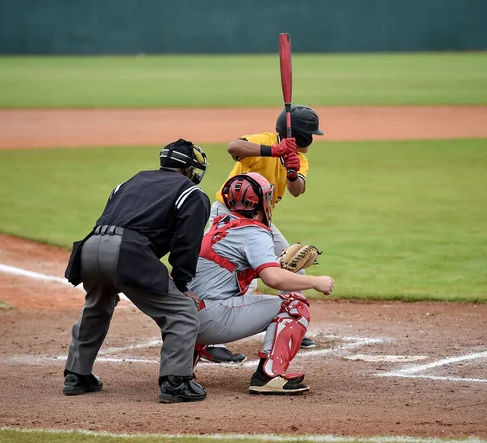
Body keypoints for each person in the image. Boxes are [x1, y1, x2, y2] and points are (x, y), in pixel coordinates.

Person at [63, 138, 211, 403]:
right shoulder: (190, 193)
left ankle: (77, 375)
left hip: (90, 247)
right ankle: (176, 383)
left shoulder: (129, 182)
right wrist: (181, 284)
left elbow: (108, 219)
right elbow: (186, 243)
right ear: (189, 168)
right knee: (181, 312)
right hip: (127, 251)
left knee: (97, 304)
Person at [190, 172, 334, 394]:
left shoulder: (220, 223)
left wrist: (273, 265)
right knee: (294, 304)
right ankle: (268, 376)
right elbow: (273, 279)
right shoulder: (255, 232)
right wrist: (315, 281)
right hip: (210, 321)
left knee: (221, 293)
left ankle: (181, 369)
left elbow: (229, 270)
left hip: (182, 319)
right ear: (260, 202)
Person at [203, 104, 324, 363]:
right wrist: (274, 151)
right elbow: (234, 146)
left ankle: (292, 323)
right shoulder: (265, 142)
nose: (312, 140)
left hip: (261, 218)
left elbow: (297, 189)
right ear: (302, 135)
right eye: (311, 135)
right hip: (228, 214)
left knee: (294, 264)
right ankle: (212, 341)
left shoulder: (300, 157)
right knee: (233, 273)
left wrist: (292, 171)